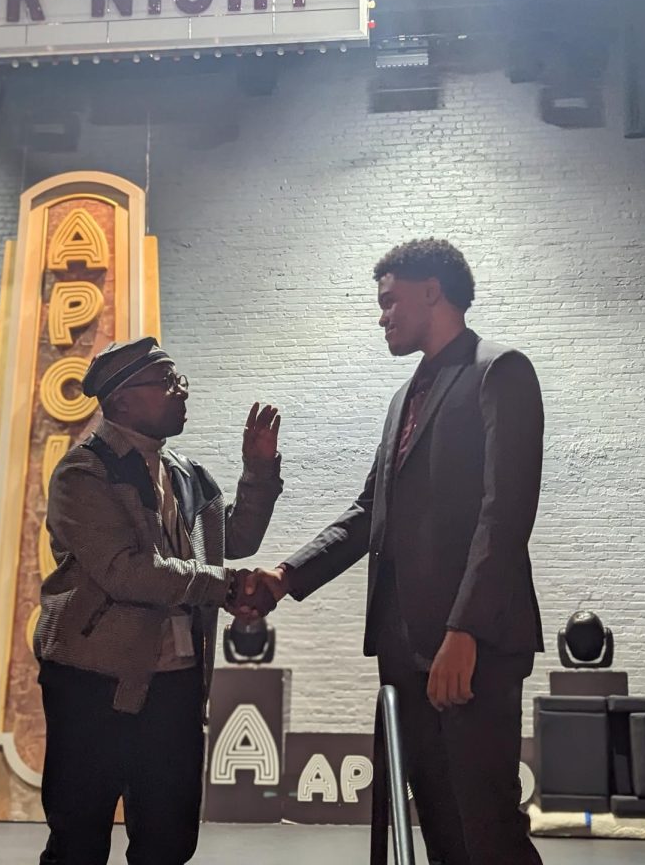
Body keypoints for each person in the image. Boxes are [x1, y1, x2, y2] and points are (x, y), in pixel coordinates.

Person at [247, 239, 544, 865]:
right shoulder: (402, 398)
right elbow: (367, 514)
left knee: (487, 829)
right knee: (440, 828)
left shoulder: (500, 369)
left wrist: (463, 630)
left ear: (431, 291)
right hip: (404, 650)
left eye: (389, 301)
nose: (382, 315)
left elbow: (505, 512)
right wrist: (284, 576)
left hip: (472, 644)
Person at [34, 335, 282, 865]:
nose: (182, 391)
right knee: (78, 840)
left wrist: (258, 472)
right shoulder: (84, 473)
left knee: (168, 842)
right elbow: (128, 573)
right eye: (167, 383)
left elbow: (235, 540)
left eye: (180, 380)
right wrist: (227, 585)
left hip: (175, 684)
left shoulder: (186, 473)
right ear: (122, 399)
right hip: (92, 684)